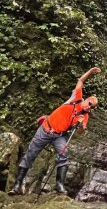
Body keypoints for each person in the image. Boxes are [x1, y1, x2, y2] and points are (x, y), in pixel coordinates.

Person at [10, 67, 101, 195]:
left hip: (59, 135)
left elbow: (80, 132)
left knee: (63, 155)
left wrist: (81, 126)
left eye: (91, 106)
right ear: (87, 99)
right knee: (30, 155)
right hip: (45, 129)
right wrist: (90, 72)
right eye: (89, 102)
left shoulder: (85, 116)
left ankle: (59, 185)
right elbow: (80, 81)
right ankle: (17, 184)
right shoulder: (76, 98)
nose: (89, 105)